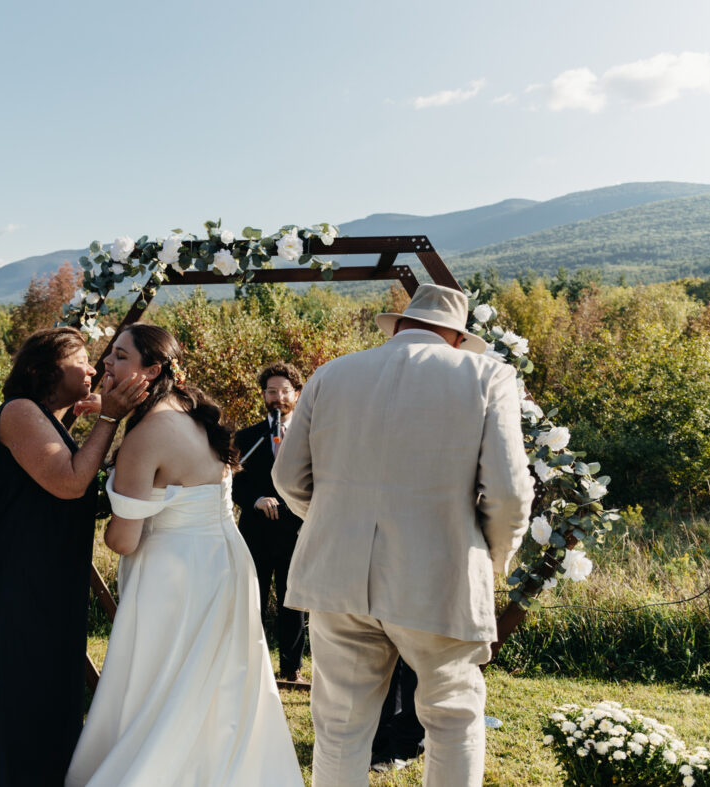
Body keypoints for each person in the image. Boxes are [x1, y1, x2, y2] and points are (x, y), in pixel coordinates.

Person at [272, 283, 534, 787]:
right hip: (440, 575)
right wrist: (490, 554)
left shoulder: (331, 374)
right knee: (453, 719)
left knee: (340, 727)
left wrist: (335, 521)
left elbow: (288, 478)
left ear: (399, 327)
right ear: (456, 338)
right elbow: (508, 492)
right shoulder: (487, 374)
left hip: (335, 578)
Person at [65, 324, 303, 787]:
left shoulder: (145, 437)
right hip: (225, 561)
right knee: (218, 682)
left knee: (166, 680)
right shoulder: (194, 417)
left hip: (174, 574)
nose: (106, 364)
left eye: (119, 356)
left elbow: (124, 541)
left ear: (151, 371)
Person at [0, 327, 148, 787]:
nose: (93, 369)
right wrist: (108, 419)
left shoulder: (49, 419)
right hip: (16, 580)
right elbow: (69, 483)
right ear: (43, 370)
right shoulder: (19, 412)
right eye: (81, 361)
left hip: (45, 577)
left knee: (44, 680)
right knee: (19, 679)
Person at [232, 362, 307, 682]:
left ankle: (292, 670)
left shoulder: (311, 436)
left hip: (296, 531)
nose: (278, 397)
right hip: (256, 532)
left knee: (294, 602)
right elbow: (232, 482)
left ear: (298, 394)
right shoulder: (248, 437)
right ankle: (254, 668)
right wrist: (255, 500)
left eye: (285, 391)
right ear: (263, 395)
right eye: (272, 391)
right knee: (253, 600)